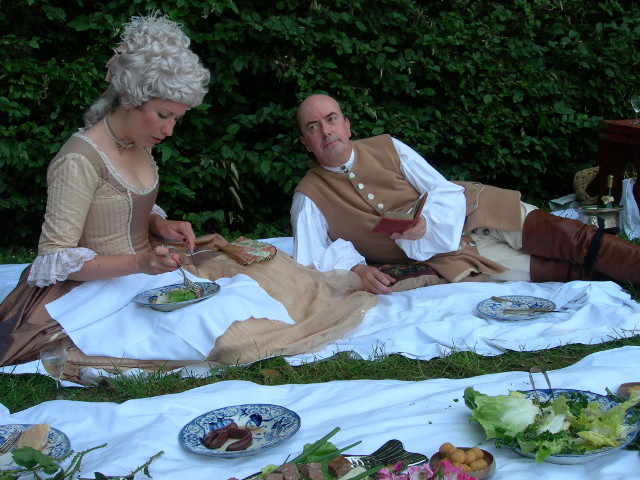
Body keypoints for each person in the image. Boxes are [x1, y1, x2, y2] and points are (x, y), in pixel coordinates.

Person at [0, 22, 375, 382]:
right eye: (163, 116)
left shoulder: (135, 142)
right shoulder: (78, 160)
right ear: (131, 97)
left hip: (148, 268)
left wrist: (158, 224)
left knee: (261, 285)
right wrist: (137, 262)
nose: (168, 130)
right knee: (231, 336)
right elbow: (56, 259)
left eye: (176, 118)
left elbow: (120, 204)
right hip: (92, 288)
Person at [291, 93, 640, 294]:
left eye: (331, 119)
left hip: (474, 207)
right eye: (313, 127)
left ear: (347, 124)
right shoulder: (309, 196)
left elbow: (441, 187)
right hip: (451, 254)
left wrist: (425, 221)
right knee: (556, 271)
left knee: (570, 238)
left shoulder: (387, 146)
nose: (326, 130)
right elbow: (310, 257)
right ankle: (623, 279)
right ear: (306, 143)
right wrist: (355, 269)